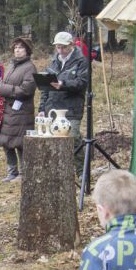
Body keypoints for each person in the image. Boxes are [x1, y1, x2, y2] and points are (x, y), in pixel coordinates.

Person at [39, 32, 88, 175]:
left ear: (71, 45)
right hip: (52, 109)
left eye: (63, 47)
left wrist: (63, 84)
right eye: (58, 47)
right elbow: (45, 87)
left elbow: (82, 83)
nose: (60, 50)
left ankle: (81, 173)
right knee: (54, 143)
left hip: (71, 109)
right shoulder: (53, 62)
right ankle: (59, 173)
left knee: (73, 140)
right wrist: (42, 108)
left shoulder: (81, 61)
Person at [0, 37, 37, 182]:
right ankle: (11, 172)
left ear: (27, 50)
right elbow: (6, 85)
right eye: (16, 47)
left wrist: (4, 89)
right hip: (7, 110)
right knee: (6, 142)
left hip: (22, 112)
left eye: (21, 47)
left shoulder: (30, 67)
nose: (17, 50)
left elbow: (27, 90)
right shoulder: (11, 66)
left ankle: (24, 174)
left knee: (20, 144)